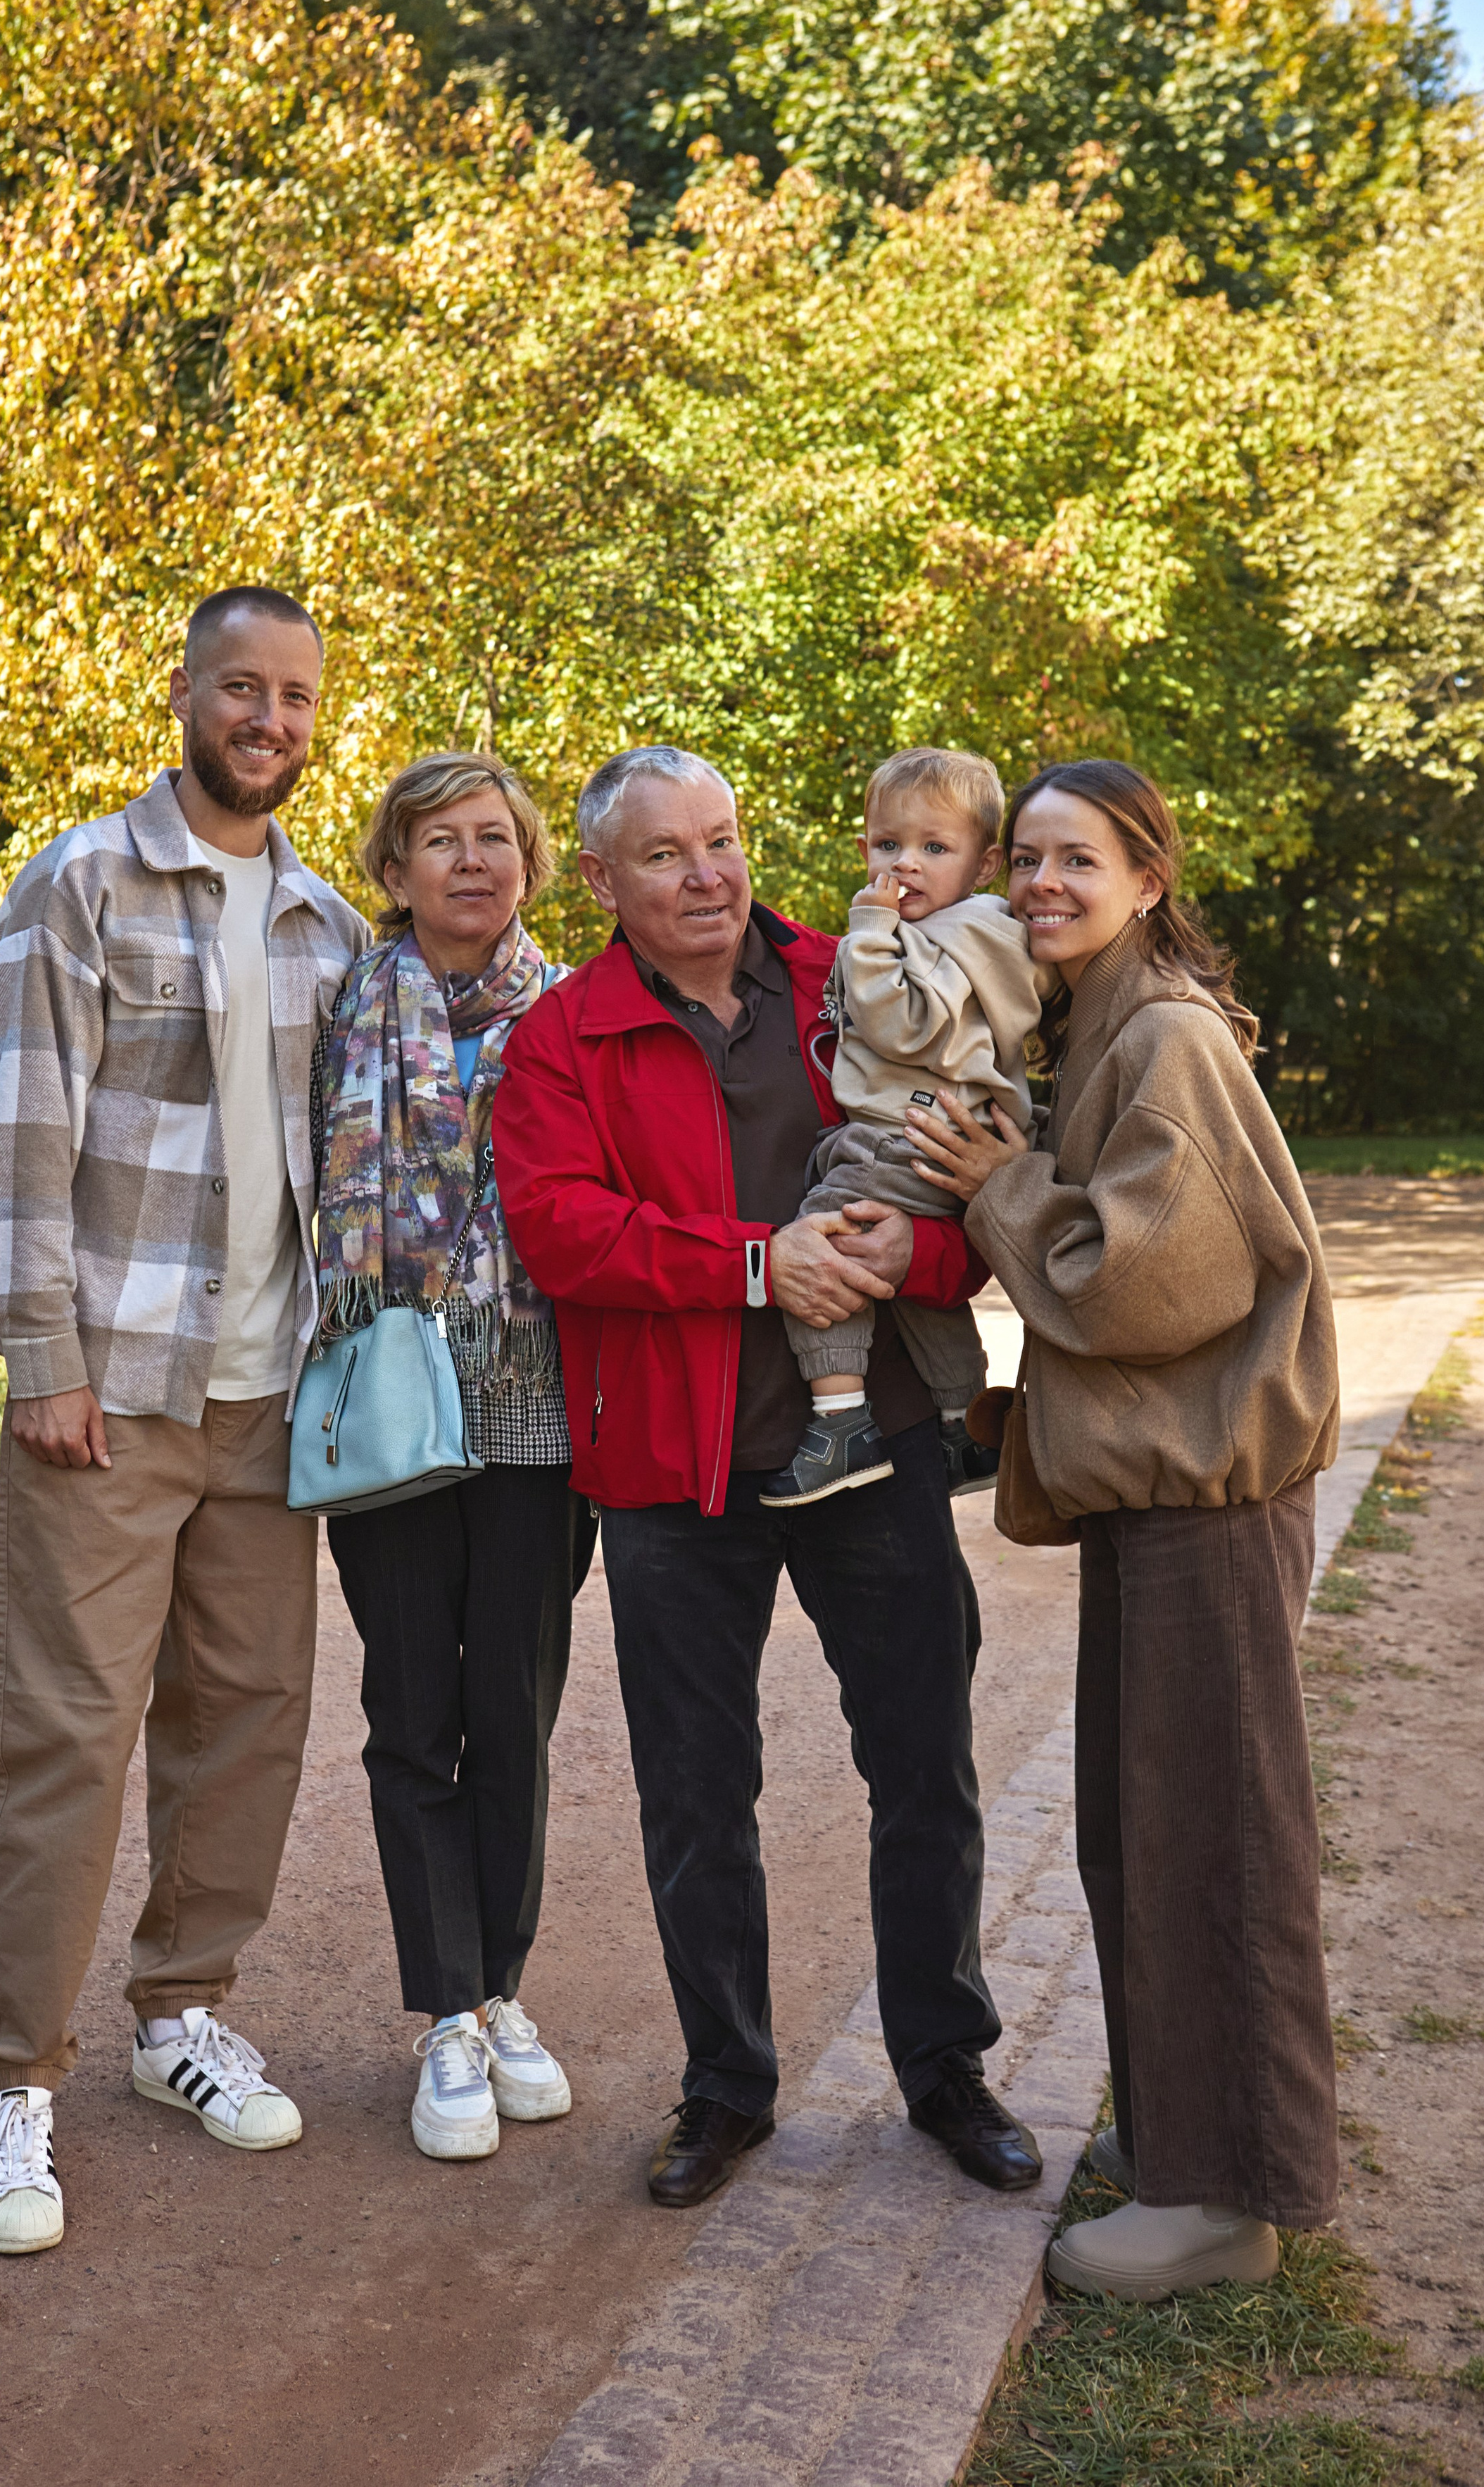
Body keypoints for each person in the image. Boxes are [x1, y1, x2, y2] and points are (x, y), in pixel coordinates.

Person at [493, 744, 1042, 2209]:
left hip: (878, 1451)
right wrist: (755, 1267)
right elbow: (560, 1231)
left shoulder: (854, 977)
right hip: (672, 1471)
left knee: (921, 1761)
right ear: (602, 882)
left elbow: (956, 1183)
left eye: (720, 840)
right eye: (664, 854)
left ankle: (945, 2070)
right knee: (694, 1792)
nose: (706, 874)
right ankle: (724, 2088)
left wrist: (908, 1255)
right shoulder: (563, 1036)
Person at [0, 584, 370, 2257]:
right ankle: (11, 2082)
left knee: (248, 1720)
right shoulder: (80, 883)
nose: (266, 718)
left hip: (274, 1404)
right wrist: (39, 1352)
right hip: (110, 1394)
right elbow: (25, 1133)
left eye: (294, 697)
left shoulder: (330, 923)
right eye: (240, 688)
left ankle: (180, 2012)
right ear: (186, 691)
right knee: (68, 1730)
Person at [906, 757, 1340, 2304]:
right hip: (1167, 1500)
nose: (1035, 884)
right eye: (1019, 858)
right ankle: (1174, 2136)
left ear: (1147, 877)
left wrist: (1002, 1191)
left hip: (1210, 1503)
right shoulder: (1104, 1022)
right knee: (1141, 1831)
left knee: (1209, 1844)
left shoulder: (1158, 1037)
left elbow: (1149, 1283)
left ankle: (1226, 2201)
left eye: (1072, 860)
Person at [315, 753, 593, 2162]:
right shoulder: (341, 1007)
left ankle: (498, 1990)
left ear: (529, 865)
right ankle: (444, 2014)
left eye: (495, 839)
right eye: (441, 841)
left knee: (516, 1717)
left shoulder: (581, 1017)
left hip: (538, 1405)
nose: (471, 863)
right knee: (412, 1705)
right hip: (383, 1396)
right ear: (396, 867)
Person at [760, 746, 1041, 1509]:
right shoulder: (960, 931)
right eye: (888, 846)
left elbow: (904, 1026)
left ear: (983, 865)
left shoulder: (959, 933)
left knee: (828, 1234)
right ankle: (963, 1423)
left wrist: (870, 931)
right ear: (863, 846)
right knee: (917, 1288)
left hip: (913, 1135)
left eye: (933, 848)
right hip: (920, 1131)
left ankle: (840, 1419)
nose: (905, 866)